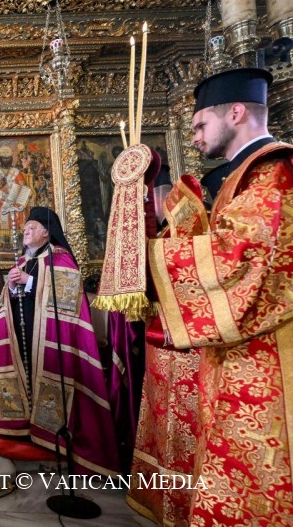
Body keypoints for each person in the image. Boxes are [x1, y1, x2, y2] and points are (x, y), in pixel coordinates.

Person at [130, 68, 293, 525]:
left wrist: (144, 255)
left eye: (201, 124)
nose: (196, 136)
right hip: (237, 354)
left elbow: (236, 257)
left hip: (268, 362)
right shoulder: (244, 177)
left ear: (235, 112)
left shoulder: (274, 172)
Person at [0, 206, 120, 476]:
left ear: (47, 233)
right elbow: (10, 298)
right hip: (26, 335)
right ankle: (26, 422)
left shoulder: (60, 259)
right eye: (25, 228)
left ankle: (49, 430)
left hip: (51, 336)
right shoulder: (23, 260)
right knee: (27, 375)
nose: (26, 231)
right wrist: (12, 285)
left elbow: (68, 295)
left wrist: (29, 281)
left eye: (32, 228)